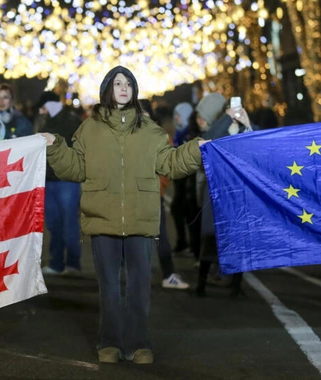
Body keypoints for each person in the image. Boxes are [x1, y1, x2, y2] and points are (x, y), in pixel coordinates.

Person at [41, 66, 208, 364]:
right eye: (117, 82)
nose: (123, 87)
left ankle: (139, 343)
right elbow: (75, 168)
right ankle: (110, 342)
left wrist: (196, 150)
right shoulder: (89, 128)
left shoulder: (150, 130)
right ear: (107, 89)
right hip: (101, 216)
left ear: (134, 89)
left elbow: (170, 164)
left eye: (128, 82)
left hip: (141, 218)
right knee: (108, 287)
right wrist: (55, 146)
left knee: (139, 286)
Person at [194, 93, 253, 298]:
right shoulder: (220, 127)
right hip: (217, 192)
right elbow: (209, 138)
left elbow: (258, 143)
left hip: (238, 194)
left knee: (239, 239)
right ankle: (201, 283)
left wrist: (247, 123)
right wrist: (227, 118)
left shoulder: (243, 127)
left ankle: (236, 285)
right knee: (211, 239)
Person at [139, 99, 190, 290]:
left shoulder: (160, 136)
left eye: (143, 115)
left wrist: (158, 186)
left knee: (160, 236)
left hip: (152, 194)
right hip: (129, 195)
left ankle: (168, 274)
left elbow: (167, 165)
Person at [36, 91, 83, 276]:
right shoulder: (45, 120)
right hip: (49, 179)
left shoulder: (70, 122)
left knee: (68, 222)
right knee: (54, 224)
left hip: (66, 181)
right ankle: (58, 263)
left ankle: (71, 263)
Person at [170, 102, 195, 255]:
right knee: (178, 210)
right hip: (181, 180)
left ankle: (190, 244)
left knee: (187, 213)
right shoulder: (180, 133)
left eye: (179, 116)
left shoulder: (190, 133)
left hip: (188, 181)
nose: (176, 119)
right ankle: (184, 242)